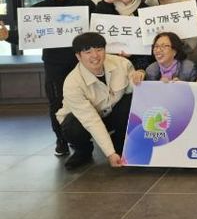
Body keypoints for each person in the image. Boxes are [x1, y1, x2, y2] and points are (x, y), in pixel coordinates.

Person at [0, 0, 96, 157]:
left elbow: (100, 29)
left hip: (84, 64)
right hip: (55, 65)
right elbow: (26, 36)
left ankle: (81, 139)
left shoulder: (86, 4)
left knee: (88, 101)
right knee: (57, 103)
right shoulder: (38, 10)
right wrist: (7, 35)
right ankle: (61, 139)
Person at [56, 32, 139, 170]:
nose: (95, 56)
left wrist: (139, 77)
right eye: (88, 52)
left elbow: (131, 89)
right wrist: (110, 153)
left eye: (99, 50)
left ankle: (120, 143)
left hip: (110, 112)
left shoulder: (122, 63)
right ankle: (83, 151)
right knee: (72, 126)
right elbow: (90, 120)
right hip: (82, 120)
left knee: (130, 102)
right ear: (78, 56)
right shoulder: (72, 83)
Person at [94, 0, 153, 77]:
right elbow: (97, 32)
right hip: (110, 63)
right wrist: (106, 3)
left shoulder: (146, 10)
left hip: (139, 66)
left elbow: (151, 43)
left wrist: (133, 52)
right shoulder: (106, 7)